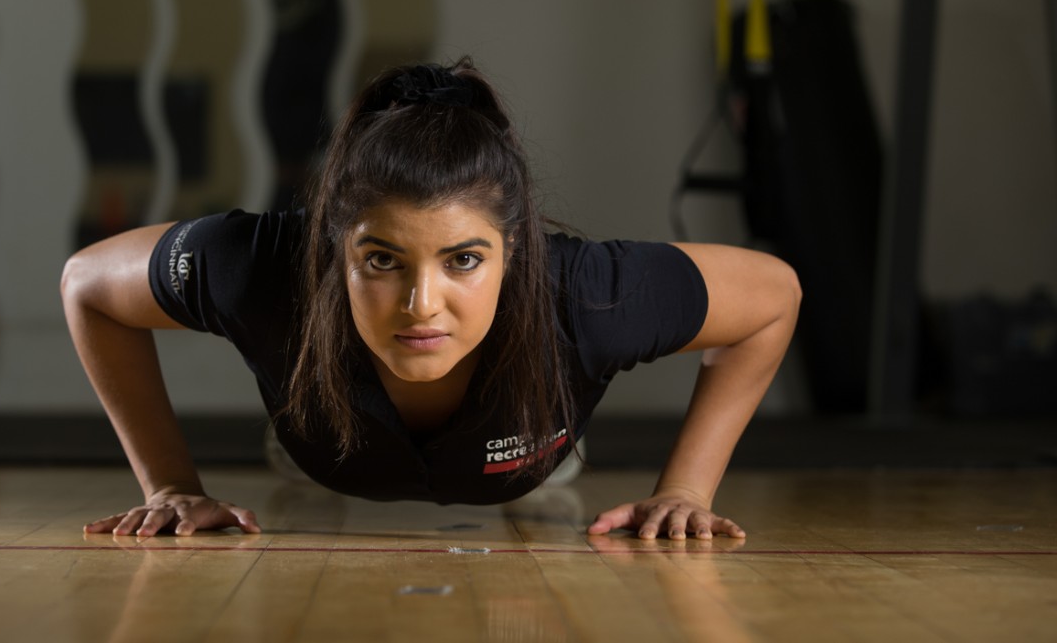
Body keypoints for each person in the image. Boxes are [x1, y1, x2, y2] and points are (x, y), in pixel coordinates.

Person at [61, 57, 801, 540]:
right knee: (314, 421)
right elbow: (87, 286)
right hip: (327, 445)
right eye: (381, 259)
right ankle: (300, 430)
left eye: (464, 260)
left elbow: (774, 295)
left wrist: (686, 488)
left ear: (516, 252)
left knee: (540, 443)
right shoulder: (259, 267)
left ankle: (560, 447)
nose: (422, 303)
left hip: (524, 451)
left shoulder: (586, 295)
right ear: (331, 248)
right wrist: (169, 485)